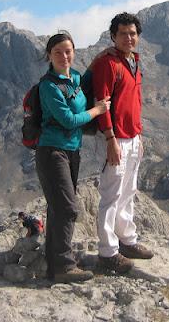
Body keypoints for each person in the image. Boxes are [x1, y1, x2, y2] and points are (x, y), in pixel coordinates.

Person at [36, 32, 111, 284]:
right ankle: (64, 266)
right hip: (51, 152)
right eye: (58, 52)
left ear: (74, 52)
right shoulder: (48, 86)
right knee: (68, 208)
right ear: (49, 55)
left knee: (58, 209)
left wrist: (102, 56)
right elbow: (68, 119)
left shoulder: (76, 77)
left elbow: (87, 80)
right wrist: (97, 110)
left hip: (72, 151)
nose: (64, 56)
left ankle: (54, 266)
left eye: (68, 51)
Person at [92, 12, 154, 274]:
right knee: (111, 194)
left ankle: (127, 240)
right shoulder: (108, 64)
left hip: (132, 138)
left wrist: (139, 135)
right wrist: (110, 139)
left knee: (128, 190)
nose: (129, 38)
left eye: (133, 33)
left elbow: (133, 103)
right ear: (113, 36)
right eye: (123, 34)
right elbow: (101, 102)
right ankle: (108, 253)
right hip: (114, 139)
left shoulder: (134, 62)